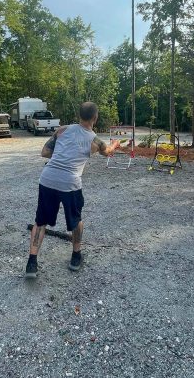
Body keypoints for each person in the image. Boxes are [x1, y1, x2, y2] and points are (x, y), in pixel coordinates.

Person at [25, 102, 120, 278]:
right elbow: (107, 152)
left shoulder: (62, 130)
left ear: (79, 116)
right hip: (70, 183)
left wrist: (64, 153)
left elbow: (45, 152)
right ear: (95, 117)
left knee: (40, 221)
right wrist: (115, 144)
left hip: (48, 178)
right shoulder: (94, 140)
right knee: (76, 221)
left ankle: (31, 263)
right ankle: (76, 256)